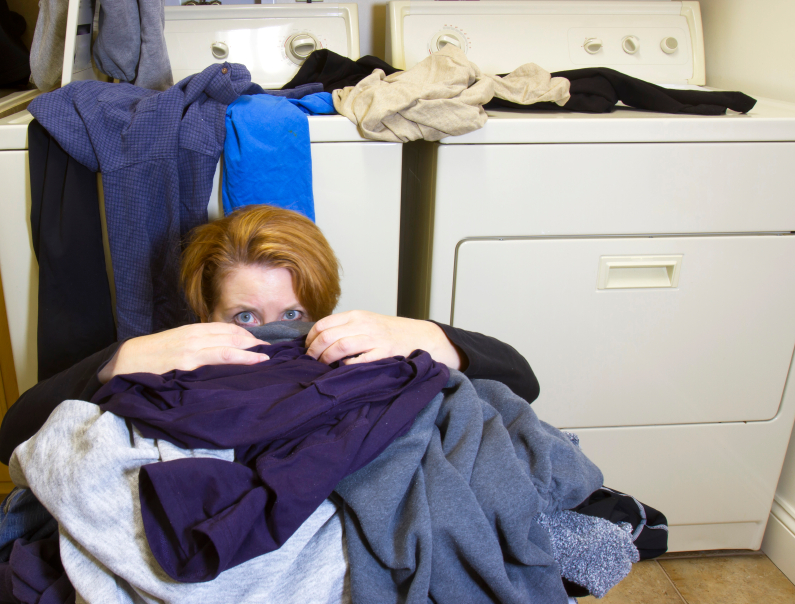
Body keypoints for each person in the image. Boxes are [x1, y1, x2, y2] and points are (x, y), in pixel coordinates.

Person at [0, 205, 538, 464]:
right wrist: (122, 357)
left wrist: (421, 333)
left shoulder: (353, 346)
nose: (275, 331)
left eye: (294, 312)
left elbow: (522, 381)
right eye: (245, 317)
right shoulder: (165, 360)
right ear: (206, 312)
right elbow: (11, 437)